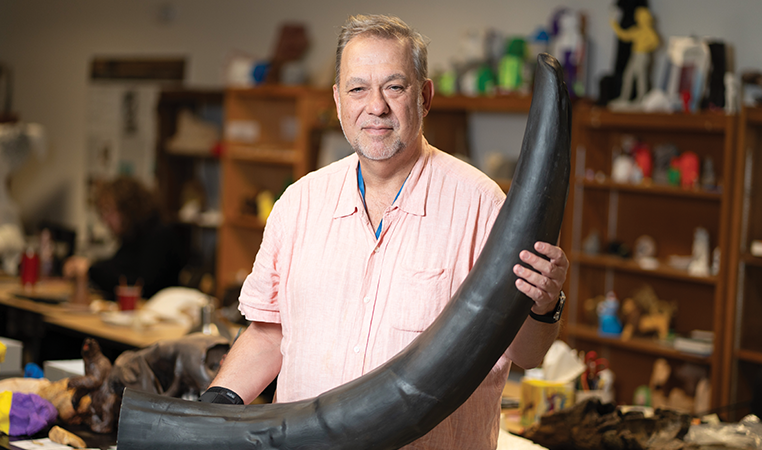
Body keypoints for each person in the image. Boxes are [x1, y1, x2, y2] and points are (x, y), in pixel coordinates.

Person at [205, 14, 569, 449]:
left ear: (425, 96)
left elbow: (526, 355)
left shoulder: (484, 207)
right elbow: (269, 333)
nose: (375, 106)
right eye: (358, 89)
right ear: (338, 101)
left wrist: (543, 305)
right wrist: (215, 407)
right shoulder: (299, 203)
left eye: (394, 87)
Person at [63, 176, 185, 301]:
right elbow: (116, 266)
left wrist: (90, 270)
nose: (105, 220)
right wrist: (89, 267)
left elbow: (136, 285)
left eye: (108, 211)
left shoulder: (159, 236)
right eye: (102, 213)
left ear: (128, 209)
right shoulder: (133, 236)